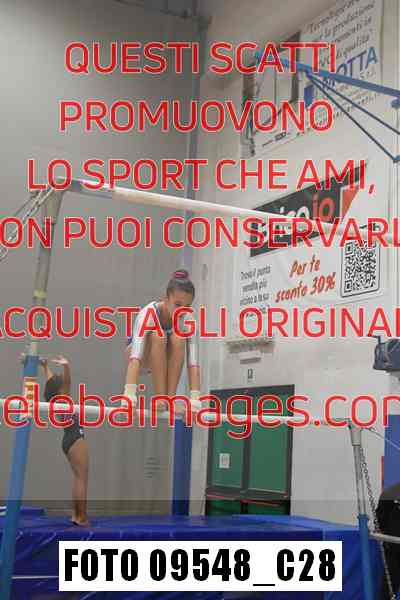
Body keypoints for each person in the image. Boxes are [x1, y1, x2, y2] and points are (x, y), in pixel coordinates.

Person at [124, 269, 201, 415]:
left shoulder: (188, 321)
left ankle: (169, 400)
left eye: (187, 307)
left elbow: (193, 364)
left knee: (179, 339)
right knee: (158, 336)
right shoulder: (148, 314)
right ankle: (160, 397)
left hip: (163, 359)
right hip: (140, 357)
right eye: (177, 304)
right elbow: (135, 358)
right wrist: (129, 398)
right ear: (165, 299)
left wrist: (195, 404)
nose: (181, 311)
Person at [41, 355, 90, 527]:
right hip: (76, 437)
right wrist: (67, 366)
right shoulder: (64, 397)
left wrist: (45, 367)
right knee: (82, 478)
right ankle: (81, 517)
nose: (60, 376)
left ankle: (76, 516)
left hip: (68, 438)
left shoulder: (55, 397)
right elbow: (67, 382)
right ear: (61, 388)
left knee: (78, 478)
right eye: (59, 378)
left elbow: (51, 383)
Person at [376, 481, 400, 599]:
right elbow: (380, 522)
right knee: (387, 592)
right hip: (394, 552)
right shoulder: (390, 494)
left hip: (394, 549)